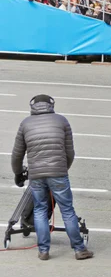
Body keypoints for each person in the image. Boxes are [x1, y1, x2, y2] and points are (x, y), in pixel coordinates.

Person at [11, 95, 94, 261]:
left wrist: (18, 173)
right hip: (59, 173)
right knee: (67, 210)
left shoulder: (25, 124)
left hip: (36, 175)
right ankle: (79, 249)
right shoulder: (62, 121)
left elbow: (17, 154)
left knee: (40, 210)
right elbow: (69, 152)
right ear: (51, 105)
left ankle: (43, 250)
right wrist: (63, 169)